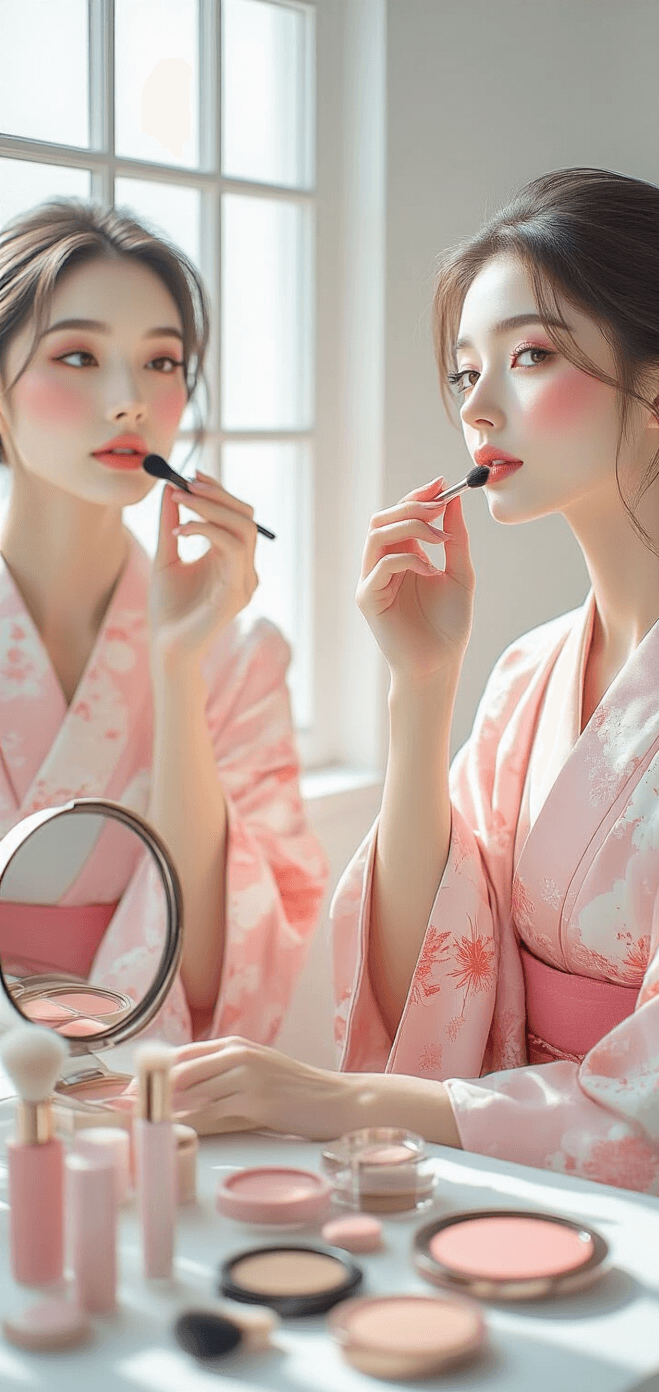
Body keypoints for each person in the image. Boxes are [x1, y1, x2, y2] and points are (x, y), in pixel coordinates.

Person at [167, 169, 659, 1213]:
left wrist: (339, 1101)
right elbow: (432, 972)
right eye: (464, 371)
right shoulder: (525, 672)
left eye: (527, 357)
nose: (475, 407)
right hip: (499, 1187)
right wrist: (419, 689)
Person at [0, 199, 328, 1042]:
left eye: (161, 362)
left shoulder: (239, 658)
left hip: (147, 1093)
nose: (128, 401)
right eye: (77, 355)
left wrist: (178, 668)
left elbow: (219, 974)